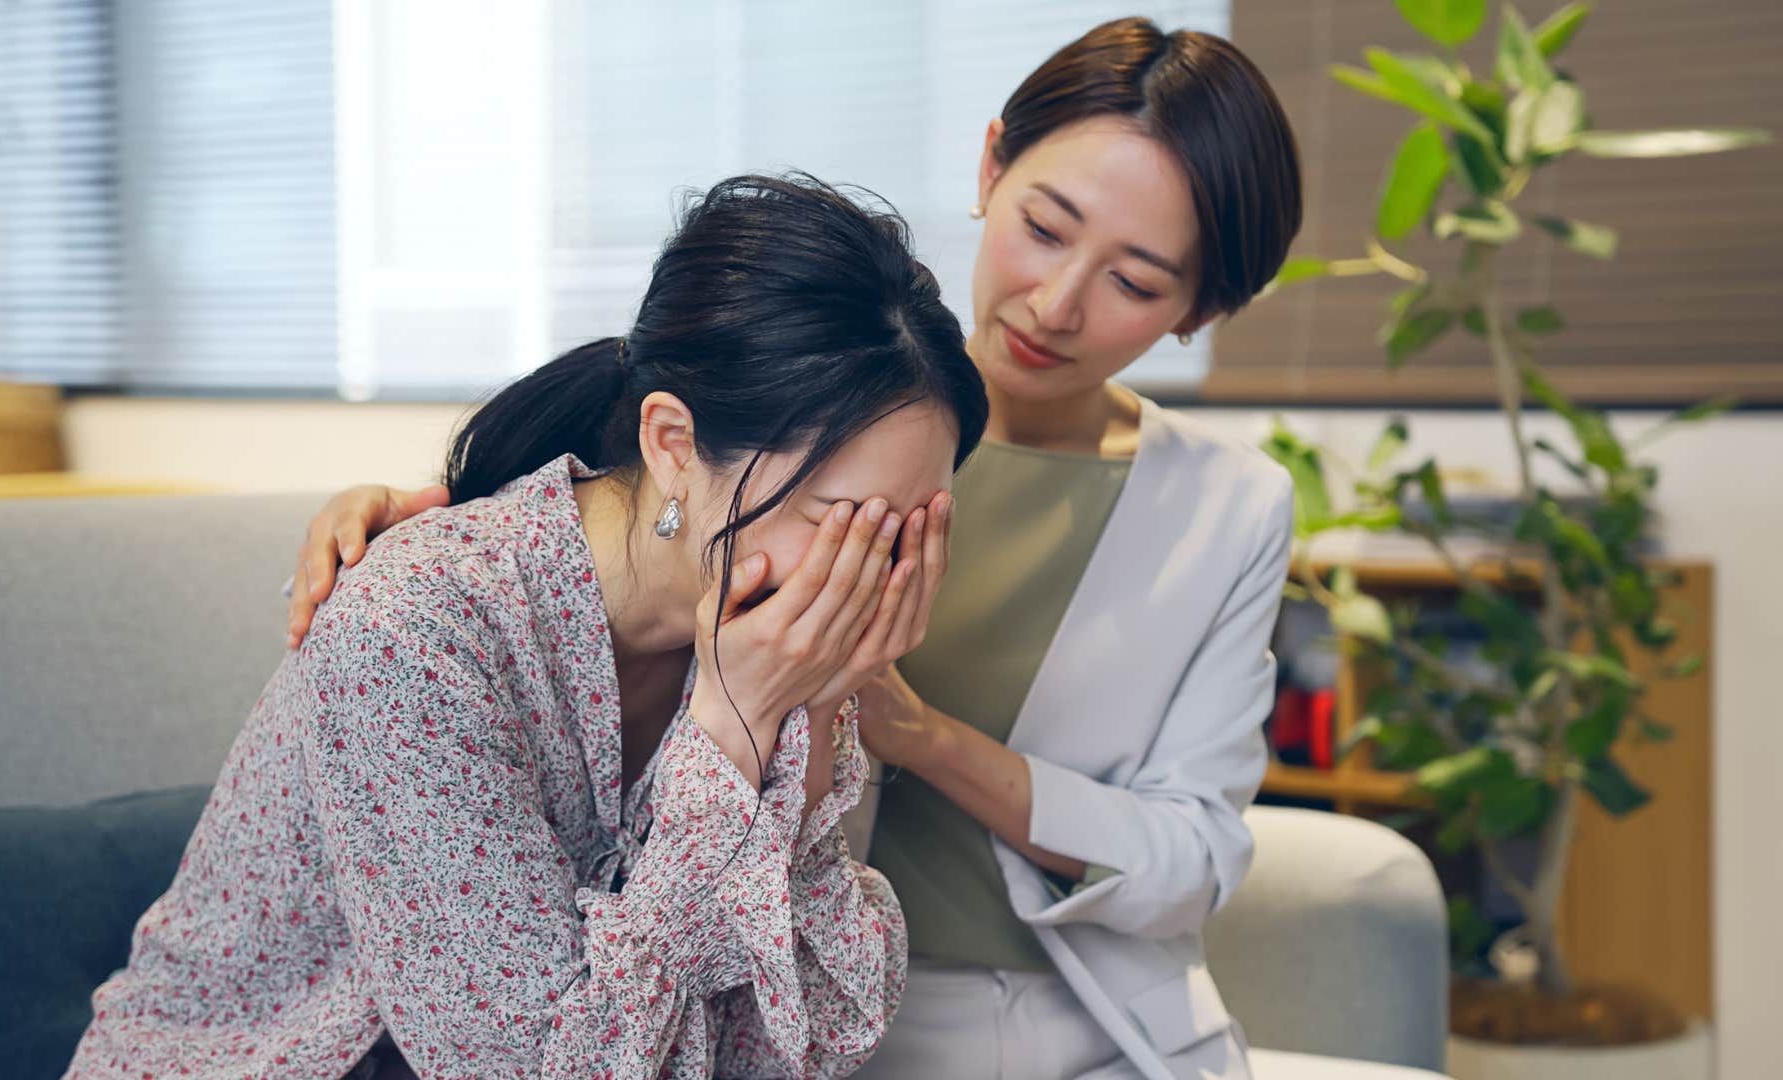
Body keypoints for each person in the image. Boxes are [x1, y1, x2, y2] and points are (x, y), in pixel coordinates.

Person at [286, 19, 1304, 1080]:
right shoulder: (807, 410)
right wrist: (432, 515)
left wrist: (905, 729)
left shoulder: (1218, 506)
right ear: (991, 165)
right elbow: (589, 515)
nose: (1056, 304)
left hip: (1038, 1003)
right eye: (1045, 227)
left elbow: (1193, 856)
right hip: (842, 1016)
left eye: (1136, 282)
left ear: (1203, 309)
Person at [64, 173, 990, 1080]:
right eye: (844, 520)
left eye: (915, 529)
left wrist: (810, 720)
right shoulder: (418, 628)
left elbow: (799, 1045)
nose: (870, 572)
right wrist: (731, 732)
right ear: (673, 446)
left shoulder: (778, 645)